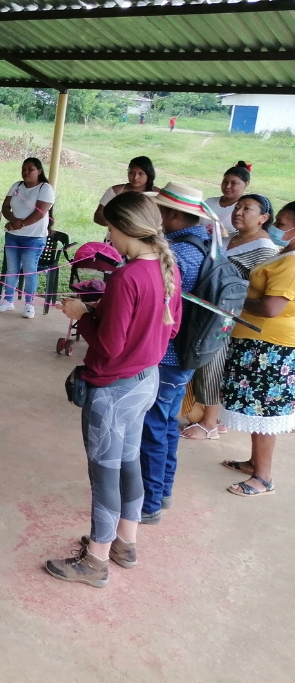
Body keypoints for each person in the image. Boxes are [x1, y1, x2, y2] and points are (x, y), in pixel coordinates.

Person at [46, 192, 181, 587]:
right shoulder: (165, 268)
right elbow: (169, 329)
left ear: (123, 229)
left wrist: (82, 315)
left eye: (109, 228)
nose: (108, 236)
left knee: (104, 472)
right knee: (127, 463)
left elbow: (108, 347)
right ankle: (126, 542)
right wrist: (101, 309)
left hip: (113, 388)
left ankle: (96, 560)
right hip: (145, 381)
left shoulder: (127, 276)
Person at [139, 182, 213, 523]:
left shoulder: (179, 255)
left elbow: (159, 304)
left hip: (168, 355)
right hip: (187, 354)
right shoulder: (206, 245)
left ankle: (149, 503)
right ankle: (163, 490)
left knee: (153, 428)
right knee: (166, 424)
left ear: (172, 214)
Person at [182, 194, 278, 441]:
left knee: (212, 361)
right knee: (204, 358)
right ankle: (210, 416)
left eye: (247, 209)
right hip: (210, 308)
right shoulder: (230, 238)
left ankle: (209, 423)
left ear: (263, 218)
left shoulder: (264, 248)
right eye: (238, 207)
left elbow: (261, 286)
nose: (239, 212)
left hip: (229, 313)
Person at [217, 201, 295, 496]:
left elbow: (271, 307)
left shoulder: (292, 262)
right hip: (256, 342)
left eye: (283, 224)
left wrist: (235, 301)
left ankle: (263, 478)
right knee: (255, 409)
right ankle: (254, 463)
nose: (276, 228)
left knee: (264, 412)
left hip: (271, 349)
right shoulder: (284, 254)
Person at [0, 158, 56, 319]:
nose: (26, 172)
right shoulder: (17, 185)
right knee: (12, 270)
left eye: (30, 169)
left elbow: (40, 213)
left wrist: (18, 224)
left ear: (39, 172)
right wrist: (12, 221)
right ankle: (8, 301)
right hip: (13, 236)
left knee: (29, 271)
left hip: (33, 238)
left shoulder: (45, 188)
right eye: (24, 169)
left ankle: (29, 304)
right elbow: (5, 207)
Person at [93, 156, 156, 228]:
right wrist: (117, 224)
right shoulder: (115, 191)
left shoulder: (157, 194)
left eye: (141, 174)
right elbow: (97, 216)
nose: (135, 177)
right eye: (132, 173)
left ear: (149, 174)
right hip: (115, 237)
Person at [205, 161, 251, 244]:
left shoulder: (246, 211)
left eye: (234, 183)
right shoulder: (209, 202)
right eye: (225, 182)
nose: (228, 186)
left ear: (246, 184)